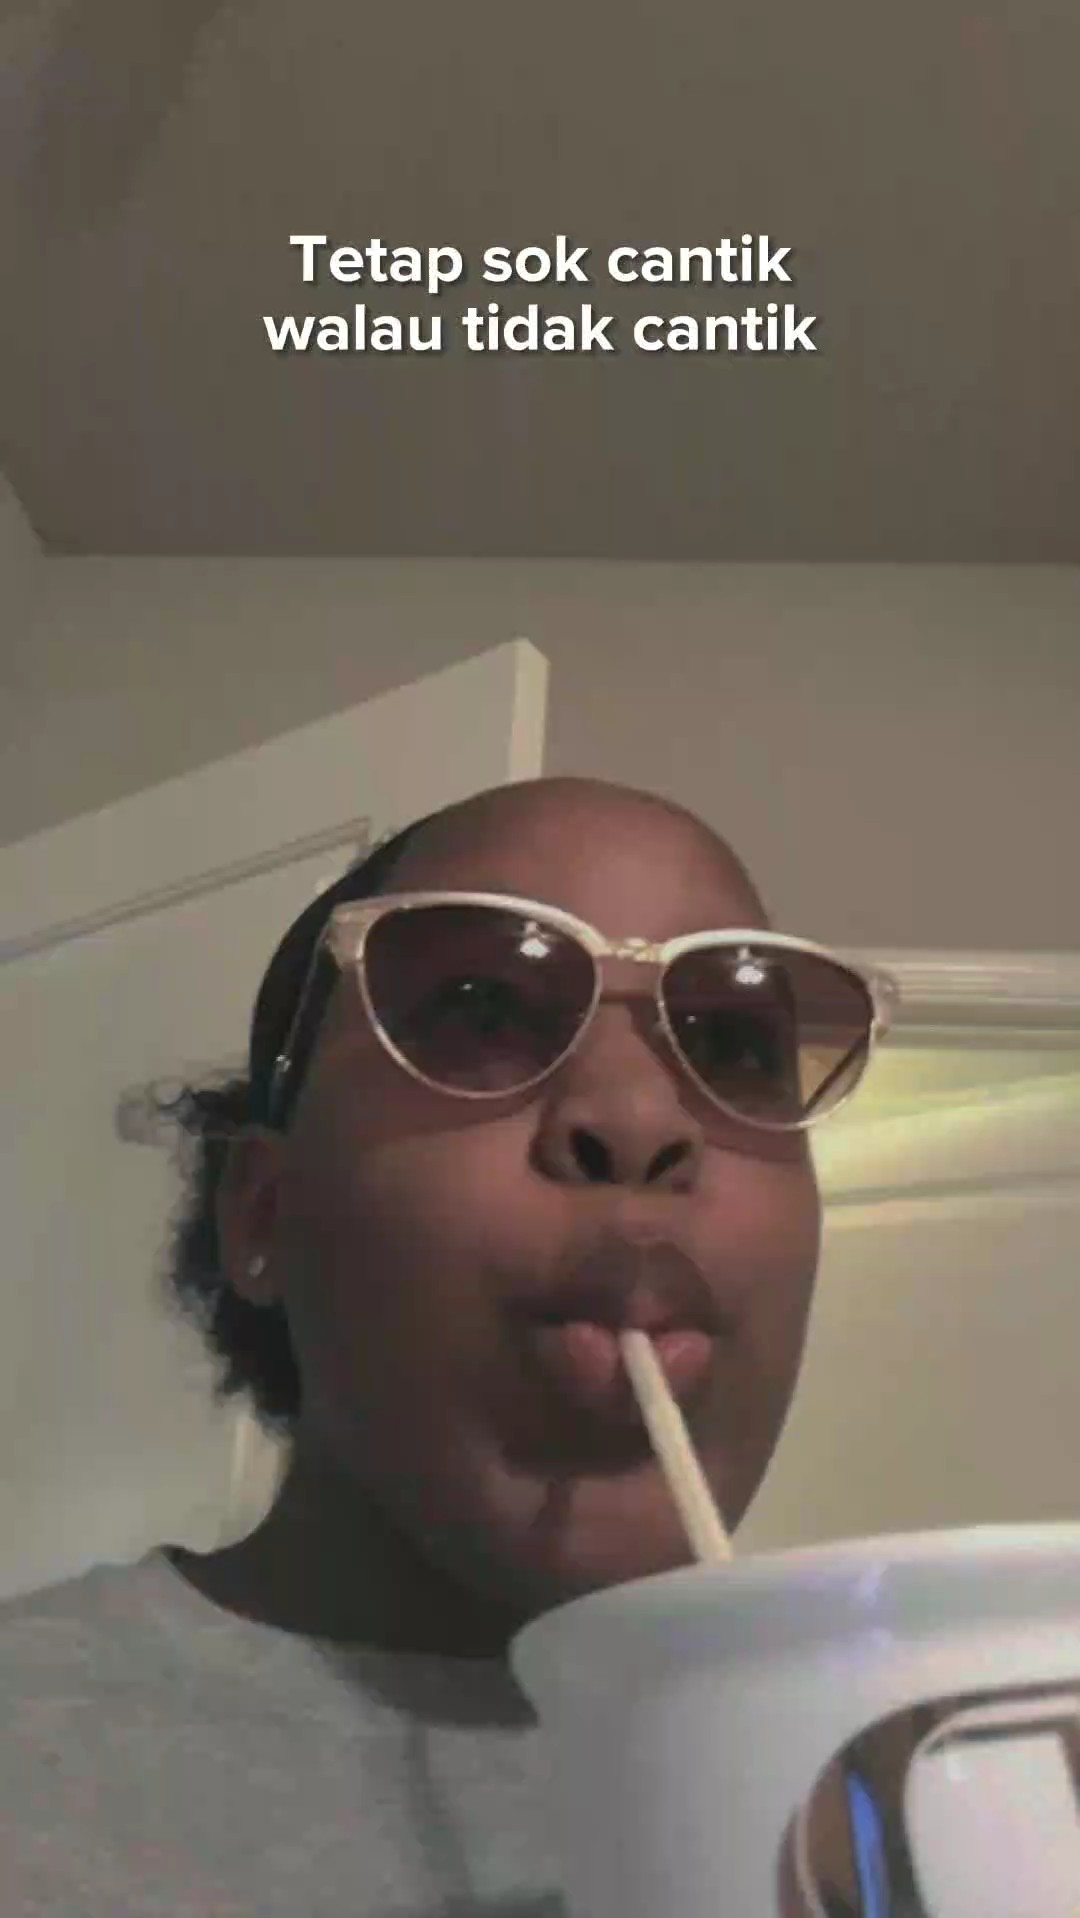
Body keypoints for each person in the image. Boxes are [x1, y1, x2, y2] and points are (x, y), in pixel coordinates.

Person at [0, 776, 891, 1917]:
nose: (641, 1120)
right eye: (482, 1010)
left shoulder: (933, 1778)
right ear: (263, 1214)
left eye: (734, 1041)